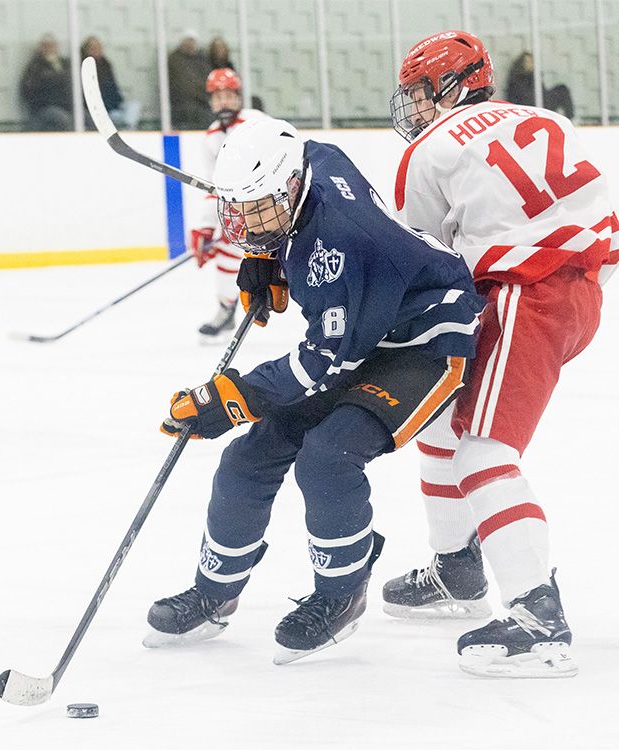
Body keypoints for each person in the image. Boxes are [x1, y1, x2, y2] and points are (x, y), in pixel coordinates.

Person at [142, 118, 484, 664]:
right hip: (367, 326)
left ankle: (340, 593)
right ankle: (214, 592)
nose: (246, 221)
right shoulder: (311, 162)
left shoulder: (342, 246)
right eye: (240, 208)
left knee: (328, 457)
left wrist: (232, 398)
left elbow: (318, 364)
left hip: (425, 341)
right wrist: (266, 255)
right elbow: (313, 147)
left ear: (290, 187)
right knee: (250, 454)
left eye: (258, 209)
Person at [386, 30, 619, 677]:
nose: (414, 106)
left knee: (484, 454)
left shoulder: (429, 150)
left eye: (419, 92)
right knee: (441, 417)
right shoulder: (548, 118)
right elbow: (602, 225)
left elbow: (420, 264)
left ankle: (536, 618)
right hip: (581, 291)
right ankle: (457, 570)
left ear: (450, 86)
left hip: (525, 296)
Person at [190, 69, 267, 341]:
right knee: (225, 249)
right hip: (244, 210)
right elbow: (214, 189)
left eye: (229, 95)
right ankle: (226, 309)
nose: (223, 102)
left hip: (272, 204)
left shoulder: (256, 121)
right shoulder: (211, 138)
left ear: (238, 97)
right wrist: (206, 228)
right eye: (218, 97)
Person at [80, 36, 141, 130]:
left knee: (134, 105)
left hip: (113, 106)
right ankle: (125, 127)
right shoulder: (84, 67)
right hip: (99, 111)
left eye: (99, 47)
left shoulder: (106, 64)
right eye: (93, 48)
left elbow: (113, 87)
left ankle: (128, 128)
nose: (97, 50)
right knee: (116, 116)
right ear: (86, 50)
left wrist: (118, 102)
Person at [20, 34, 73, 131]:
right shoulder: (35, 66)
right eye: (46, 46)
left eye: (52, 46)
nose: (50, 49)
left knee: (88, 118)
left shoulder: (65, 63)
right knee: (63, 119)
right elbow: (29, 89)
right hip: (45, 107)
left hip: (67, 106)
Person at [505, 51, 575, 120]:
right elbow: (523, 96)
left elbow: (543, 92)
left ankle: (570, 119)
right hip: (528, 106)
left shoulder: (534, 75)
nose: (530, 64)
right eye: (527, 62)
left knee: (562, 89)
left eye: (532, 62)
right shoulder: (516, 78)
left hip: (542, 101)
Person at [167, 31, 211, 130]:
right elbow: (184, 84)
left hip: (202, 105)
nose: (190, 44)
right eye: (187, 41)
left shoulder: (202, 59)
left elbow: (207, 79)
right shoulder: (175, 59)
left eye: (192, 41)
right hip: (181, 106)